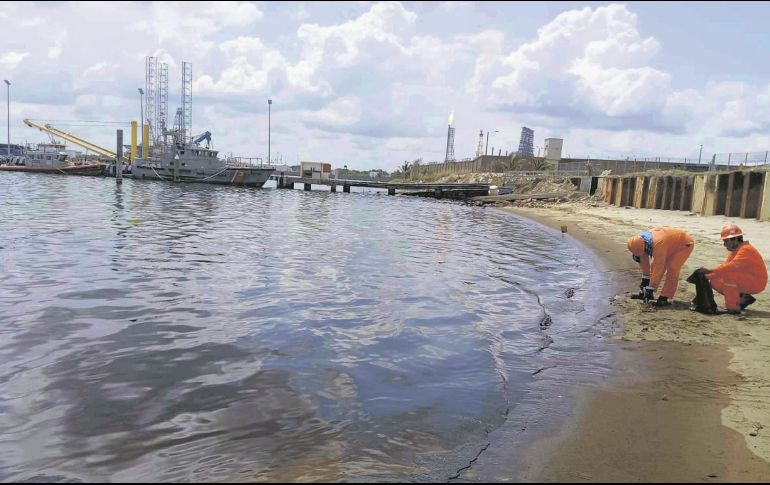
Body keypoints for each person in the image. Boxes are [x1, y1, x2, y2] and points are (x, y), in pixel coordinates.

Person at [705, 224, 767, 314]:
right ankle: (743, 298)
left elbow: (730, 267)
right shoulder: (735, 251)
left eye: (726, 241)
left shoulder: (746, 249)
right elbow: (724, 269)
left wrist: (709, 272)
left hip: (757, 282)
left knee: (729, 275)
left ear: (735, 239)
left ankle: (733, 307)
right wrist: (709, 275)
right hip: (747, 279)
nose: (724, 244)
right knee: (715, 281)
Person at [627, 227, 695, 307]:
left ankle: (664, 297)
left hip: (684, 244)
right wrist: (644, 282)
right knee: (654, 266)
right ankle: (645, 293)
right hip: (669, 244)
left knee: (672, 268)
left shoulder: (657, 244)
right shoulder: (640, 243)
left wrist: (651, 288)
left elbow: (658, 267)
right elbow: (644, 263)